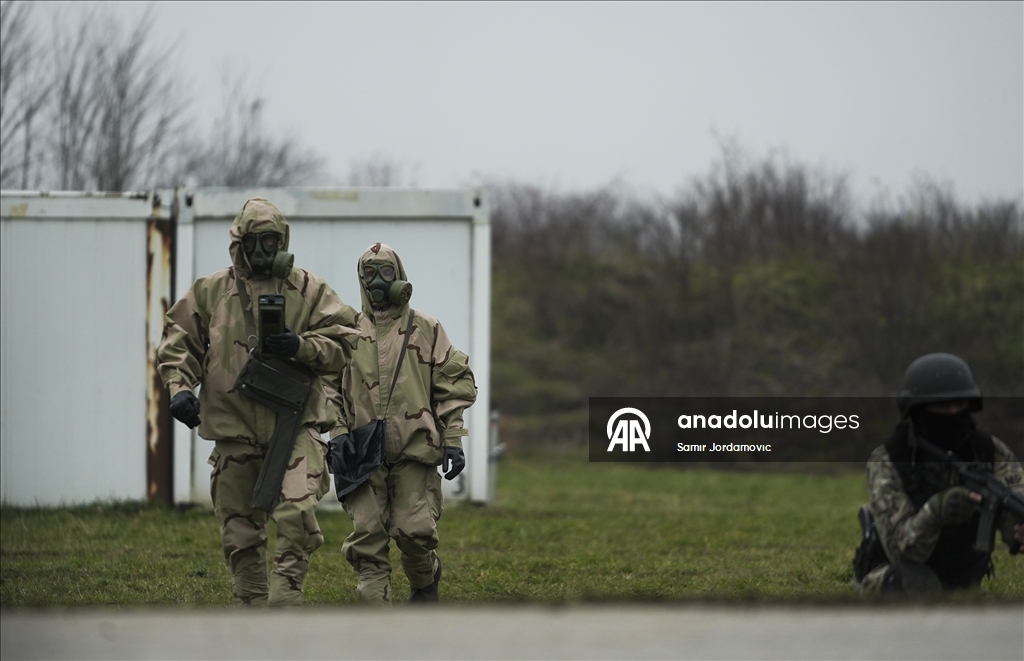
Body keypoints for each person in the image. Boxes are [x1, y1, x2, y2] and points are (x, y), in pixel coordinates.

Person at [158, 197, 359, 606]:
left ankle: (285, 601)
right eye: (254, 242)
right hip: (235, 426)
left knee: (296, 513)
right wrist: (180, 389)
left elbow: (347, 342)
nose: (264, 250)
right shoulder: (211, 291)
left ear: (283, 241)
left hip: (296, 424)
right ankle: (250, 606)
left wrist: (301, 346)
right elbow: (178, 341)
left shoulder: (309, 289)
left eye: (271, 241)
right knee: (240, 529)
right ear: (239, 244)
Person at [329, 242, 477, 605]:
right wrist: (338, 432)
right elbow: (325, 388)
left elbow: (453, 385)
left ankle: (425, 579)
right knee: (368, 536)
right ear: (361, 279)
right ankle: (376, 616)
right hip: (362, 453)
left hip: (414, 450)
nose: (378, 281)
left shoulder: (425, 329)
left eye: (386, 272)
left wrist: (454, 439)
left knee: (415, 533)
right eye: (370, 273)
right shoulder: (345, 332)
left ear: (399, 276)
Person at [853, 353, 1024, 594]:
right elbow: (902, 551)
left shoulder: (989, 451)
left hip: (961, 585)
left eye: (960, 404)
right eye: (942, 406)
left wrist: (1017, 530)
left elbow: (1014, 500)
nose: (953, 413)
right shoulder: (889, 460)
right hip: (893, 576)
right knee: (918, 581)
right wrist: (937, 511)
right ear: (917, 410)